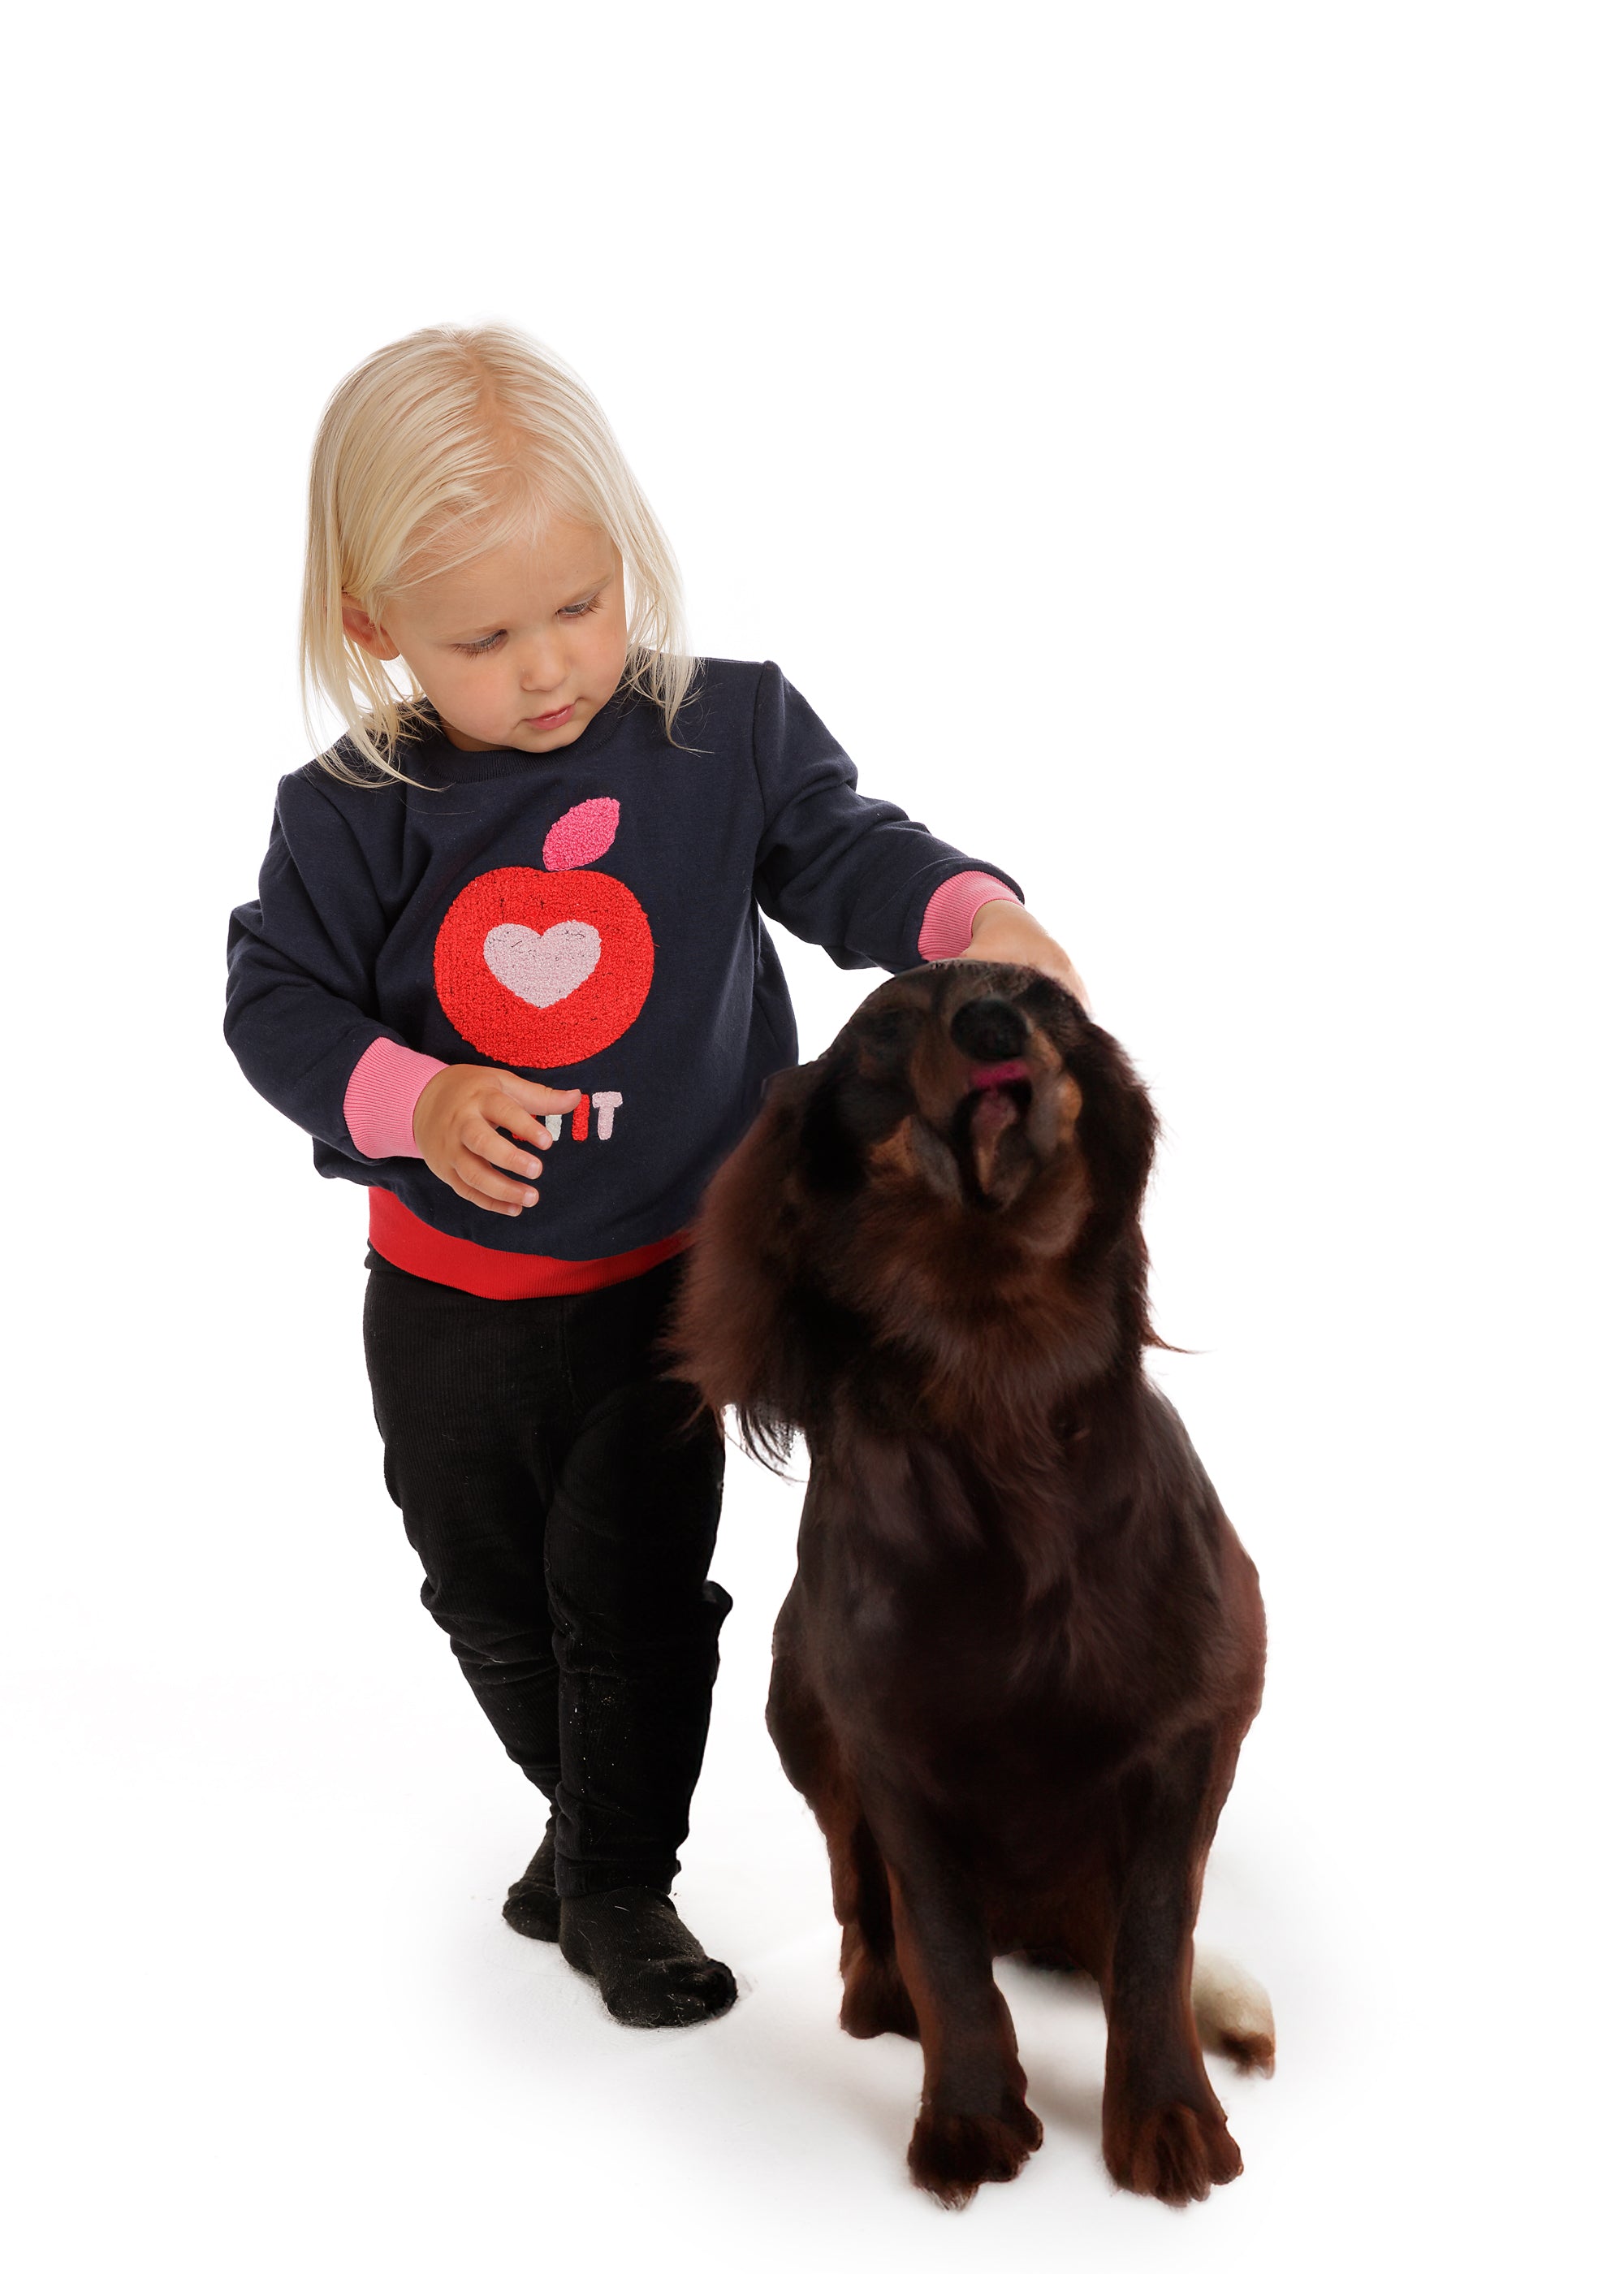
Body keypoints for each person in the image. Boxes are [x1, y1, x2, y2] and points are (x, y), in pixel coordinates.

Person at [224, 323, 1087, 2030]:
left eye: (584, 603)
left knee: (628, 1589)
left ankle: (620, 1875)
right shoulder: (349, 813)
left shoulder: (723, 737)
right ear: (373, 628)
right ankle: (581, 1810)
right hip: (448, 1298)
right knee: (477, 1586)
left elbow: (846, 849)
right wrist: (408, 1094)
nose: (551, 665)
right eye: (485, 636)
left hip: (681, 1279)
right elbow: (273, 1003)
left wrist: (968, 917)